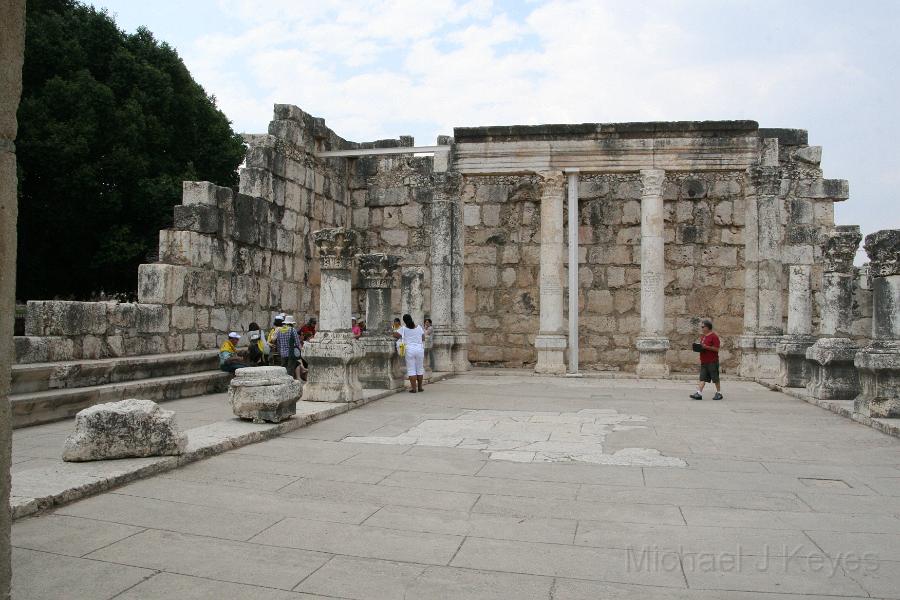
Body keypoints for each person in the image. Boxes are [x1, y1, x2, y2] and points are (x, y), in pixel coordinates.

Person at [690, 319, 723, 400]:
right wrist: (698, 347)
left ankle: (719, 393)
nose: (701, 328)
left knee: (715, 378)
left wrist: (706, 347)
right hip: (704, 361)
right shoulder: (704, 337)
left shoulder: (714, 337)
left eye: (703, 327)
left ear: (708, 327)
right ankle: (699, 393)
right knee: (702, 378)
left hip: (712, 361)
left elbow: (716, 349)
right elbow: (703, 346)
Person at [393, 313, 426, 393]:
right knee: (419, 369)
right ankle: (420, 387)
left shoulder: (403, 328)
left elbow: (395, 335)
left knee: (411, 370)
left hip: (409, 350)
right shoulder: (418, 327)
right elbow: (423, 337)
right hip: (419, 349)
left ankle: (414, 389)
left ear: (404, 321)